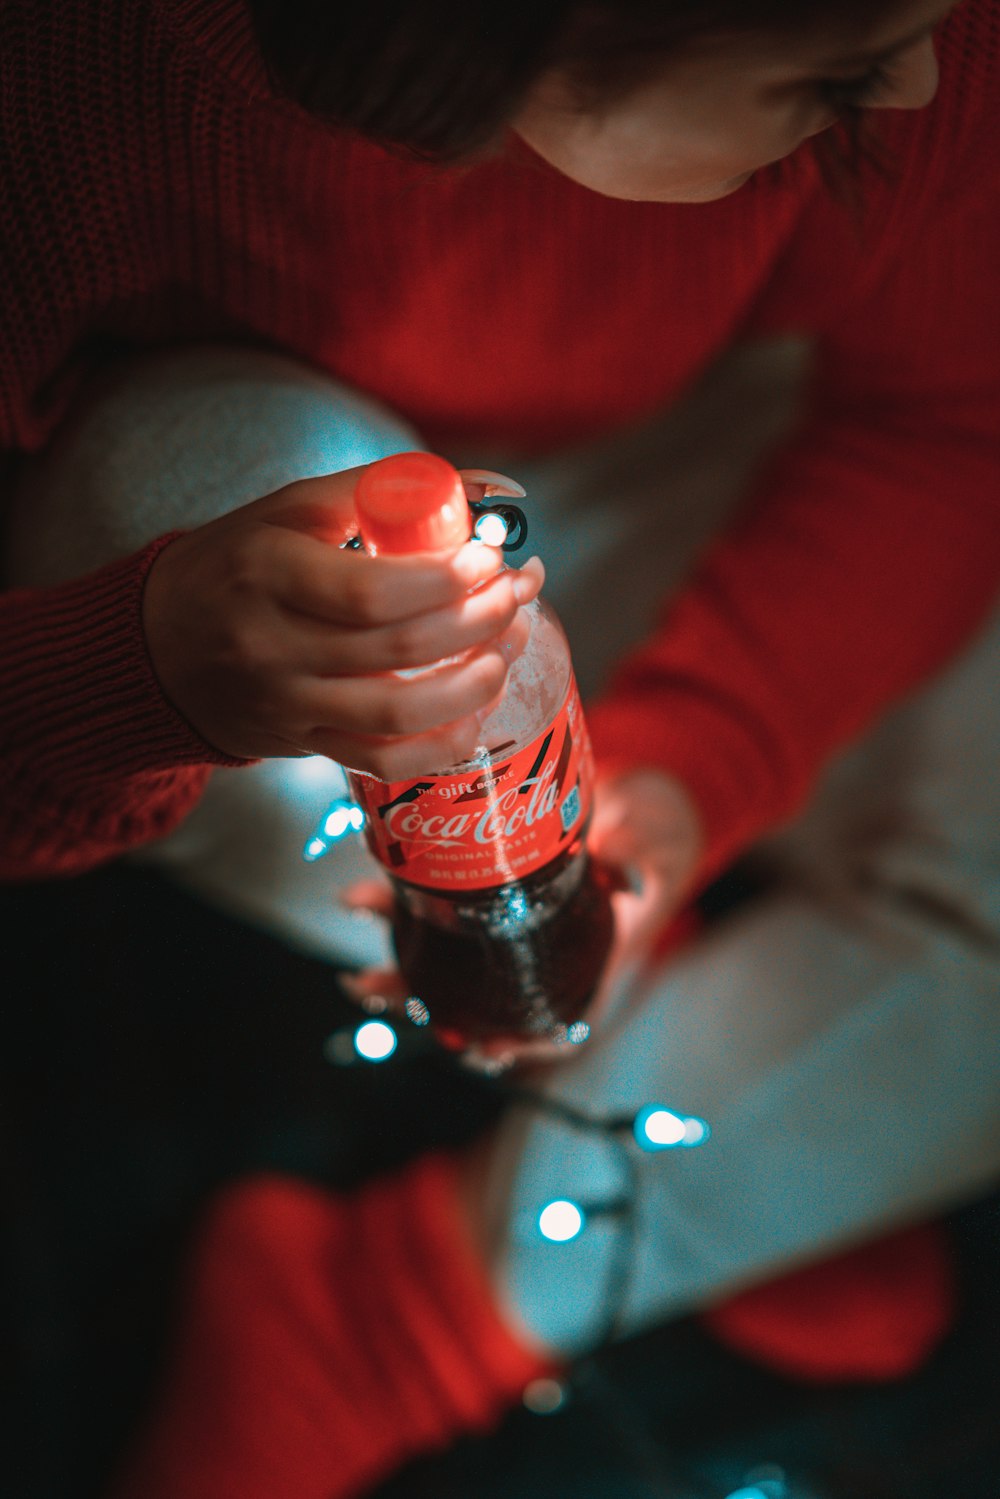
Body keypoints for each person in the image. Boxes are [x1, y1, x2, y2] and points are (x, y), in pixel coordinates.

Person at [1, 1, 998, 1496]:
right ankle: (705, 1150)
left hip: (668, 468)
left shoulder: (921, 40)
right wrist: (144, 673)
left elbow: (951, 422)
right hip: (241, 599)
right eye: (851, 48)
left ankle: (420, 1299)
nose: (923, 71)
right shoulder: (67, 95)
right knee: (248, 476)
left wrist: (699, 756)